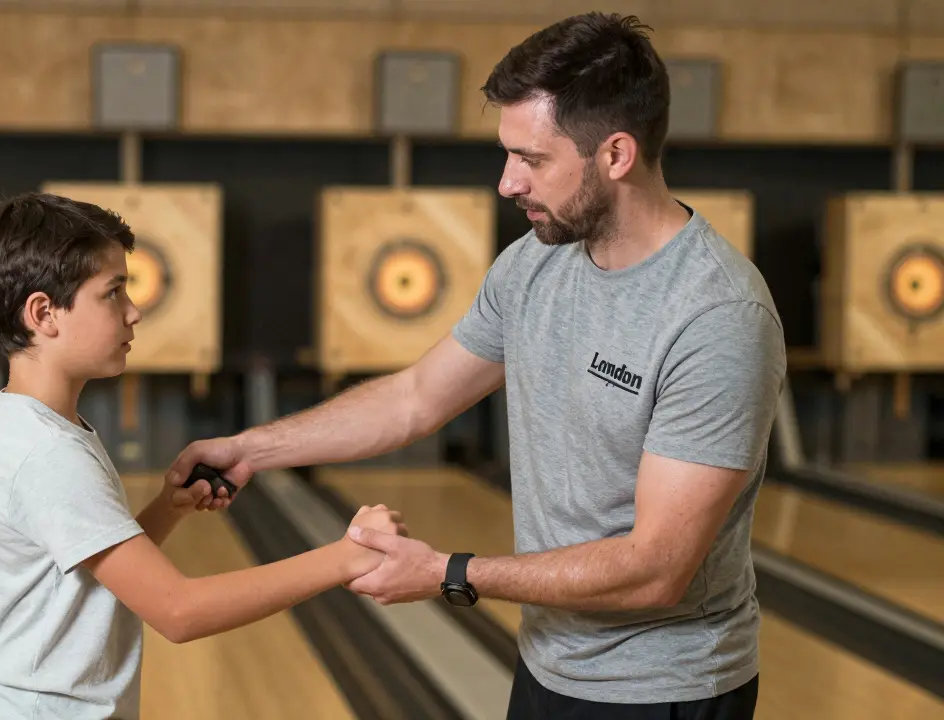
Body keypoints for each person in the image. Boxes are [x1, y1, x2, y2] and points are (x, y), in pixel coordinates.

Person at [167, 12, 784, 720]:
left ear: (616, 154)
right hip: (549, 664)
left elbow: (657, 570)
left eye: (532, 159)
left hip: (665, 689)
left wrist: (446, 574)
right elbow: (416, 399)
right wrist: (252, 448)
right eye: (506, 154)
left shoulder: (717, 317)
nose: (506, 182)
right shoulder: (534, 263)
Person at [0, 191, 408, 720]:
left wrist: (169, 508)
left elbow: (81, 574)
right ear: (43, 313)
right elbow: (177, 610)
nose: (134, 311)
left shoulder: (33, 426)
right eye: (113, 292)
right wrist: (344, 557)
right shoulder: (48, 454)